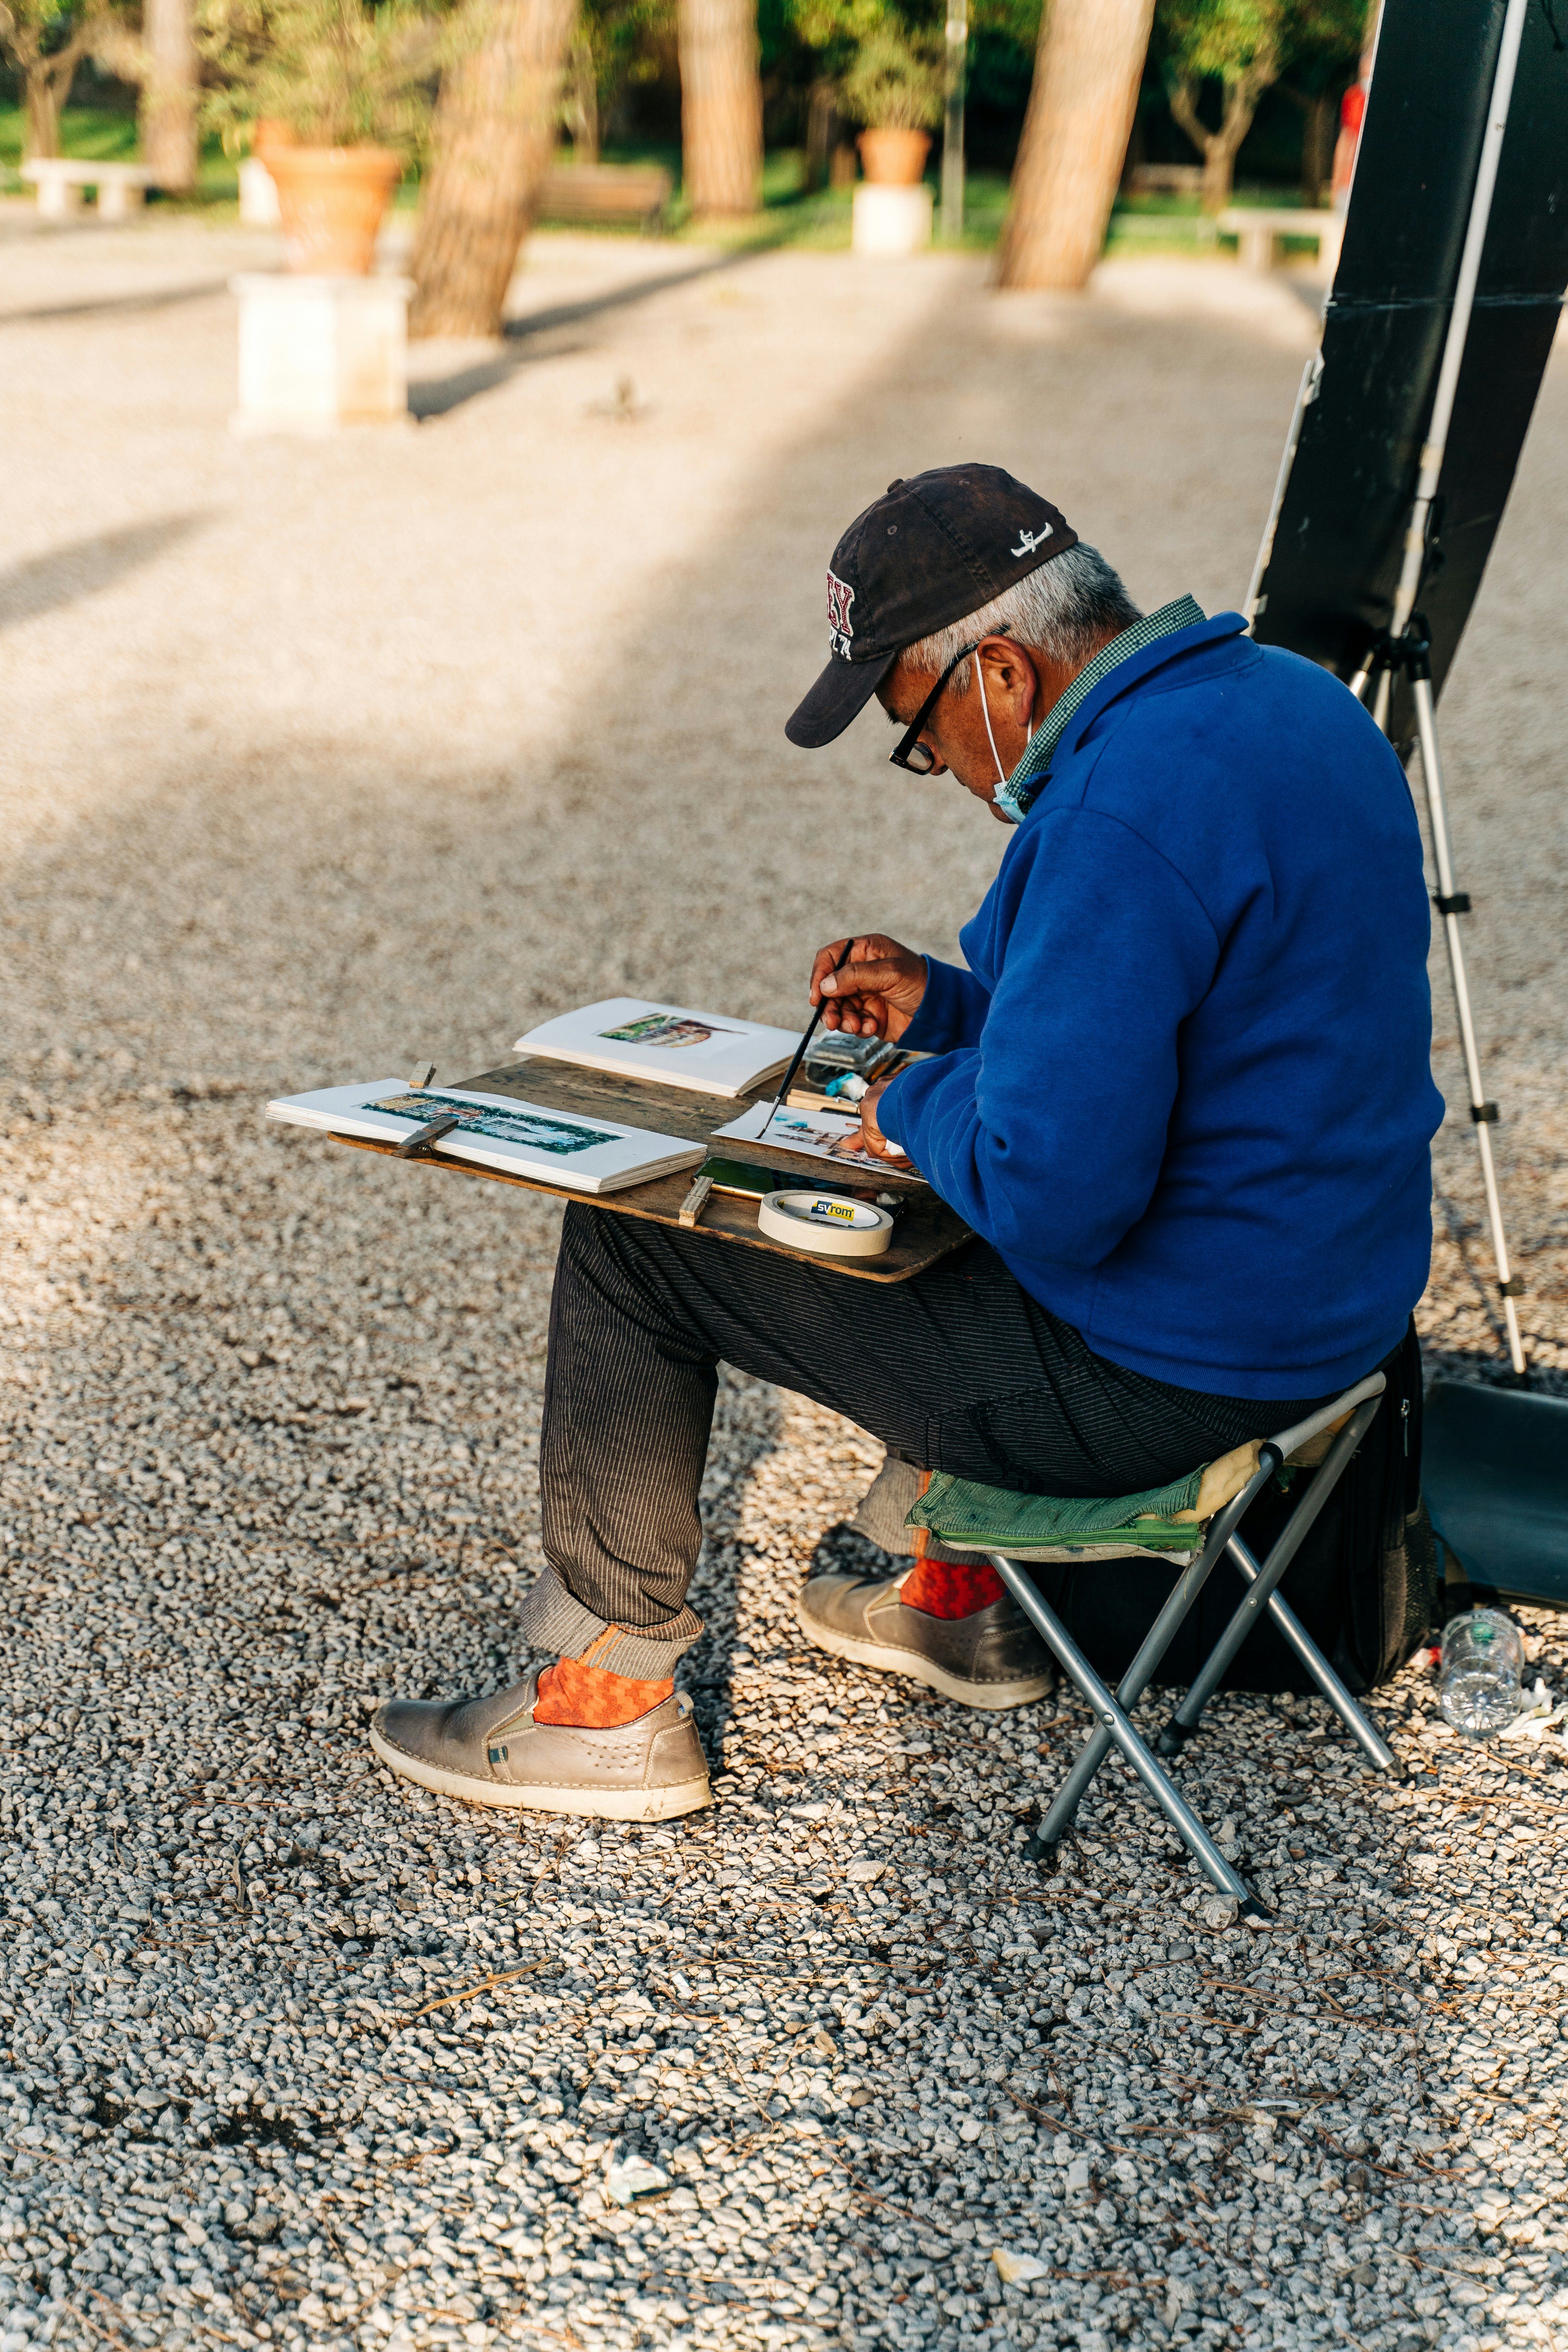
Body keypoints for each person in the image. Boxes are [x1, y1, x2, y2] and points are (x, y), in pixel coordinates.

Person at [370, 463, 1444, 1821]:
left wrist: (906, 1099)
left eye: (918, 732)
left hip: (1174, 1379)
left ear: (1000, 670)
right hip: (1333, 1332)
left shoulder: (1113, 814)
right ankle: (952, 1599)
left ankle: (602, 1701)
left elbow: (1054, 1196)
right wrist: (949, 1009)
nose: (935, 769)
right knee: (914, 1199)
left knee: (637, 1246)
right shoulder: (1290, 704)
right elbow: (1188, 1020)